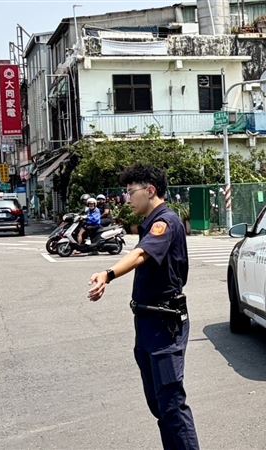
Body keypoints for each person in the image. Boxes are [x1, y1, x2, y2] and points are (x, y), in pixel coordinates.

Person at [87, 164, 199, 450]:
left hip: (165, 324)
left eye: (131, 191)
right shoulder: (151, 221)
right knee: (159, 406)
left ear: (150, 191)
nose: (127, 198)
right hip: (149, 322)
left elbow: (141, 254)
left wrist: (108, 274)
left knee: (171, 404)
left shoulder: (165, 221)